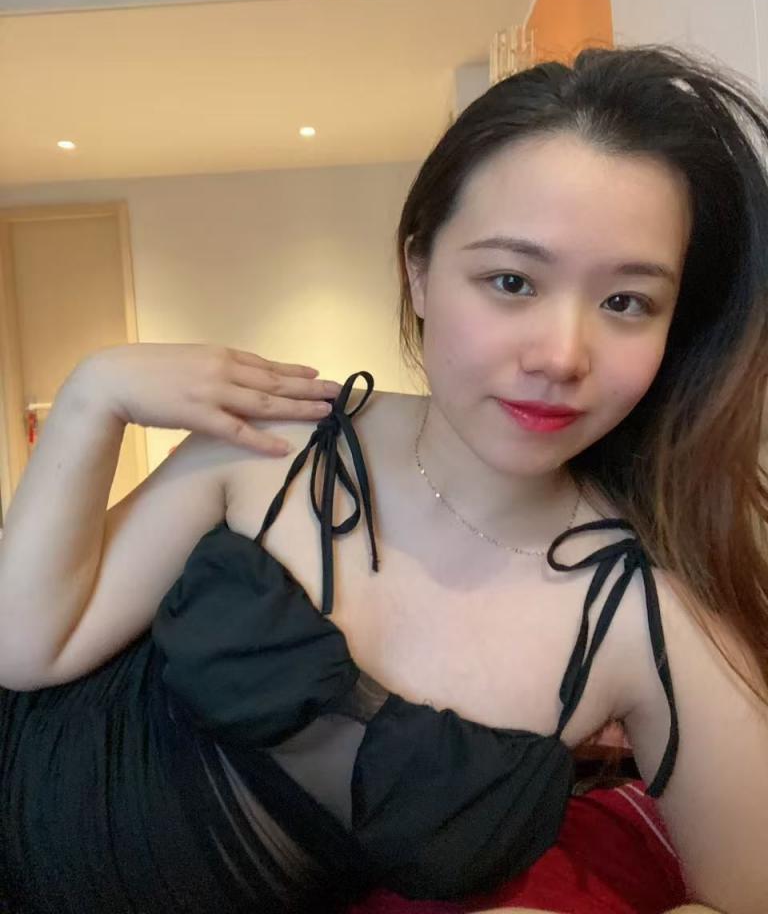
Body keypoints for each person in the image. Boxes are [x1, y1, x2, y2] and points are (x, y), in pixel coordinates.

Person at [1, 44, 767, 914]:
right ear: (420, 273)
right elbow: (29, 650)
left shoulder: (647, 620)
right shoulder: (281, 438)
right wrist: (93, 393)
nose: (562, 356)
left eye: (626, 302)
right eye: (512, 281)